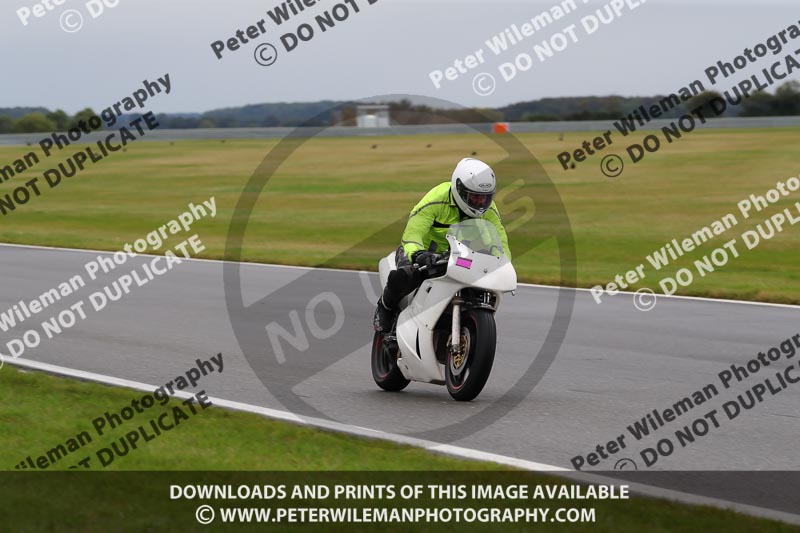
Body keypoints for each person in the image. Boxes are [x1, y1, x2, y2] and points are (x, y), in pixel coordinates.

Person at [373, 157, 512, 332]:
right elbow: (413, 232)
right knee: (406, 275)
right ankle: (385, 306)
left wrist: (502, 261)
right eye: (475, 196)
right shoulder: (436, 200)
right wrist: (417, 253)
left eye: (485, 198)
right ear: (459, 189)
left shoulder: (489, 209)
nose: (480, 203)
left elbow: (499, 238)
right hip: (424, 254)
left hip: (461, 257)